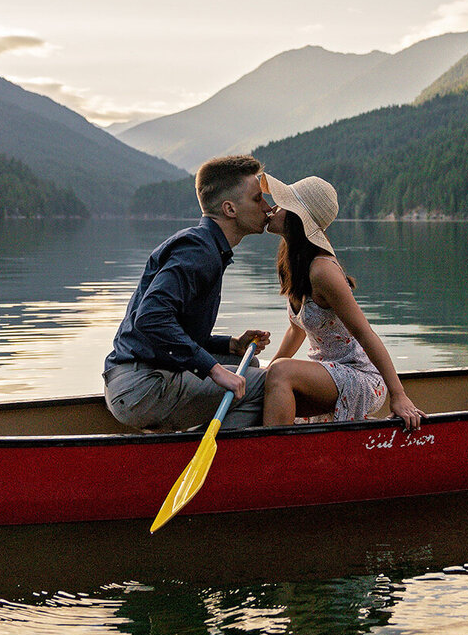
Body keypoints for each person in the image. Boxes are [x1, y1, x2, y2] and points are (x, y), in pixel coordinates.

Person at [103, 154, 273, 432]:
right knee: (270, 384)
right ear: (230, 209)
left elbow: (171, 331)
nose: (266, 207)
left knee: (247, 361)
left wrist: (230, 345)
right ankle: (216, 458)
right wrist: (215, 371)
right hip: (144, 386)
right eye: (257, 199)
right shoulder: (198, 251)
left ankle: (190, 438)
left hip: (136, 378)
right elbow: (151, 320)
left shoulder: (206, 247)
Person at [260, 173, 425, 431]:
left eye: (281, 204)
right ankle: (277, 450)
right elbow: (296, 330)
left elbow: (364, 332)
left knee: (280, 372)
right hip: (326, 372)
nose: (272, 208)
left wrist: (399, 395)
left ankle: (275, 457)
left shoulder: (322, 270)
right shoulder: (291, 263)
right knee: (267, 376)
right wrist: (265, 373)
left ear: (296, 217)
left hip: (360, 376)